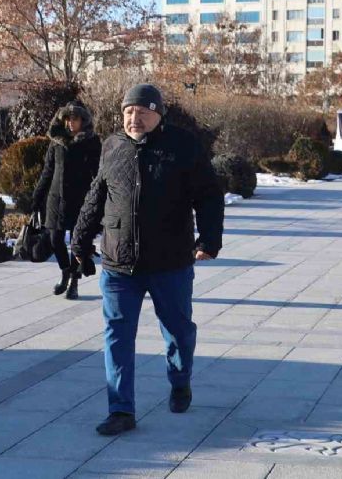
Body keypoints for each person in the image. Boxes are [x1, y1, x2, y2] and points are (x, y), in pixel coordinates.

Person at [71, 84, 224, 437]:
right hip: (118, 263)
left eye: (142, 111)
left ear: (159, 115)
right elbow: (97, 195)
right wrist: (80, 240)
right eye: (127, 111)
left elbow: (209, 195)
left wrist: (210, 239)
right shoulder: (112, 147)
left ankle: (180, 379)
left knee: (178, 331)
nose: (133, 118)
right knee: (117, 336)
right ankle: (121, 410)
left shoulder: (183, 146)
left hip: (169, 262)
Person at [31, 101, 102, 300]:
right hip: (56, 198)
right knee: (55, 239)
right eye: (68, 119)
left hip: (80, 199)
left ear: (83, 120)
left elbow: (97, 172)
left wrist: (99, 198)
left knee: (77, 241)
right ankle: (65, 272)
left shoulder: (91, 142)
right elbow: (48, 170)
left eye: (75, 119)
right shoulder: (56, 142)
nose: (71, 123)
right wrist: (37, 196)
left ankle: (74, 282)